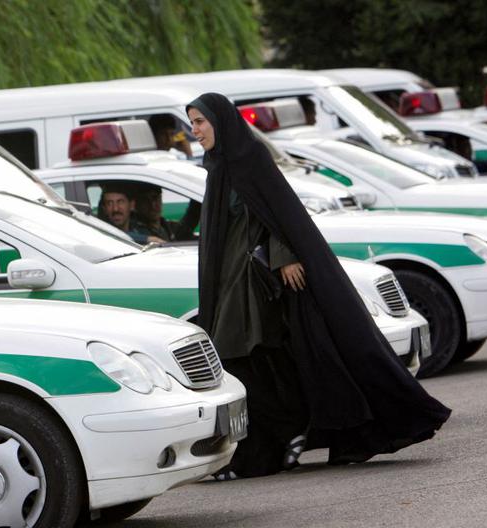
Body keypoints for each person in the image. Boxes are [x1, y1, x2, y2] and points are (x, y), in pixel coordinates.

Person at [187, 92, 450, 479]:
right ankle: (273, 446)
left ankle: (276, 443)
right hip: (229, 282)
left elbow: (280, 209)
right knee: (258, 364)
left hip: (251, 285)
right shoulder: (218, 164)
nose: (194, 131)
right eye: (192, 123)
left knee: (245, 359)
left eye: (200, 122)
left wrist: (284, 255)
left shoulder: (250, 158)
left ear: (220, 121)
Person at [129, 183, 200, 243]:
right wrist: (147, 239)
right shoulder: (132, 228)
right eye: (146, 200)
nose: (153, 205)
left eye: (156, 198)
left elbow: (192, 217)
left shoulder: (169, 227)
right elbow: (121, 236)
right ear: (136, 204)